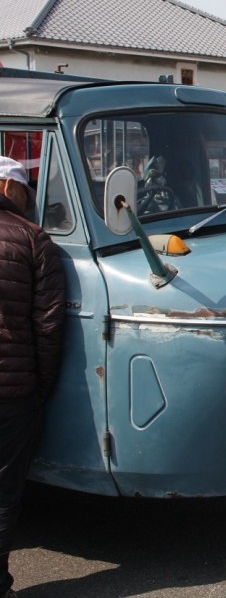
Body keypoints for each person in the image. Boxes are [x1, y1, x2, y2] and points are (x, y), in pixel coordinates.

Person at [0, 157, 66, 598]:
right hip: (11, 390)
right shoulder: (33, 239)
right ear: (12, 189)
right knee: (3, 495)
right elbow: (48, 324)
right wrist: (43, 385)